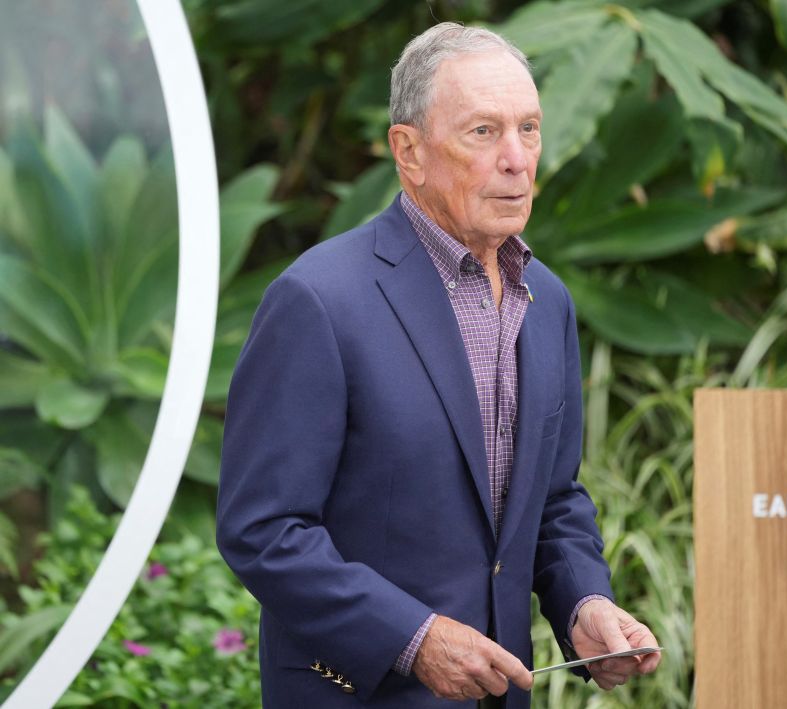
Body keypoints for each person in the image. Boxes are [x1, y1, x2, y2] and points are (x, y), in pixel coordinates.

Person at [216, 22, 661, 708]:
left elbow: (553, 500)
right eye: (483, 132)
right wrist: (413, 637)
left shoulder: (548, 304)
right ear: (409, 151)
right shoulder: (318, 300)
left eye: (530, 129)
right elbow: (263, 529)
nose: (517, 159)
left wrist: (584, 604)